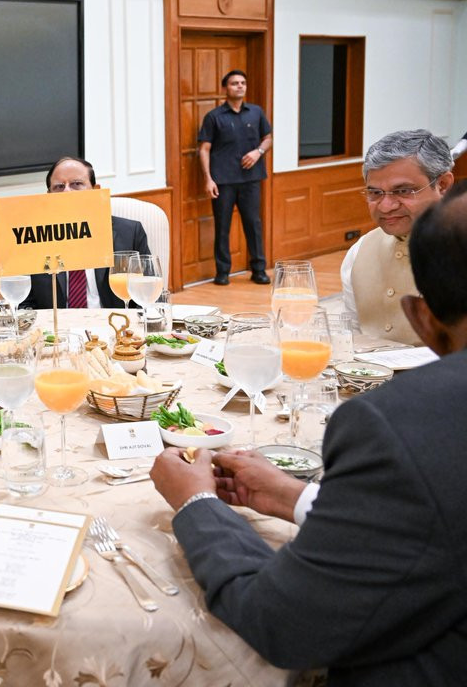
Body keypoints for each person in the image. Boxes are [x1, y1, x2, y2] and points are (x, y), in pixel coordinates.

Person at [148, 181, 467, 684]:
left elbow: (285, 624)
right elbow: (438, 522)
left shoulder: (400, 425)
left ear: (422, 320)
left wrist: (197, 504)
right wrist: (296, 498)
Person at [339, 129, 455, 345]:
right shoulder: (360, 251)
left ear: (443, 185)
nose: (386, 206)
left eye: (403, 191)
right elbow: (352, 336)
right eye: (375, 193)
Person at [22, 156, 152, 309]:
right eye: (59, 187)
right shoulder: (32, 238)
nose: (67, 192)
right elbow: (23, 303)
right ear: (49, 195)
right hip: (56, 323)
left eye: (76, 184)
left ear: (95, 190)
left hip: (113, 322)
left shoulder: (130, 233)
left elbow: (148, 295)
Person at [198, 69, 272, 286]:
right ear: (225, 88)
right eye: (234, 83)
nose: (240, 86)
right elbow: (204, 149)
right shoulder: (214, 117)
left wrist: (258, 152)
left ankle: (259, 270)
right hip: (223, 181)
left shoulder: (256, 112)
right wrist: (208, 179)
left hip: (250, 180)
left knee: (253, 224)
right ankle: (222, 272)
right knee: (222, 227)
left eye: (242, 83)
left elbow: (268, 138)